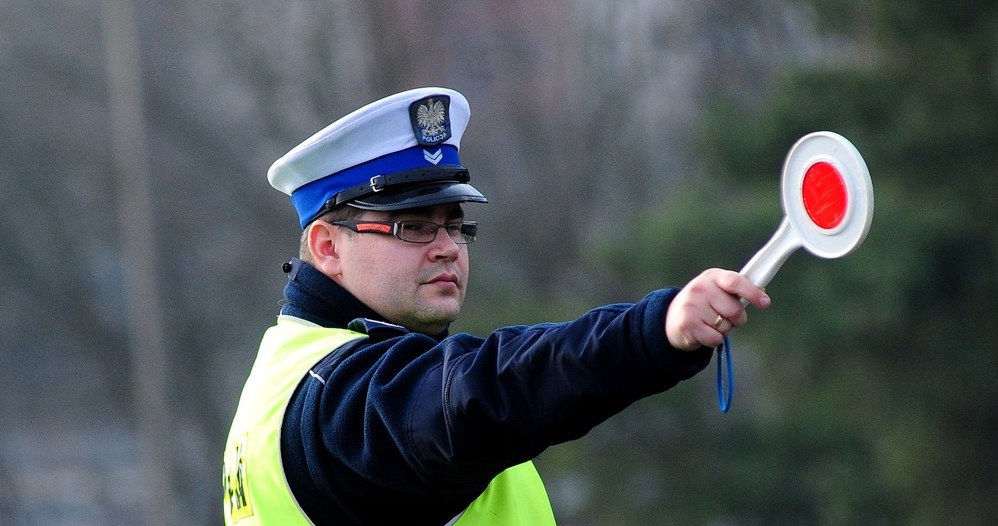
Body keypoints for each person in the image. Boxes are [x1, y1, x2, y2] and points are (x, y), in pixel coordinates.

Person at [222, 87, 770, 525]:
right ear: (326, 247)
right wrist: (648, 333)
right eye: (412, 226)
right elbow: (485, 391)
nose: (446, 247)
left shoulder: (283, 380)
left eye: (456, 226)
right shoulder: (340, 397)